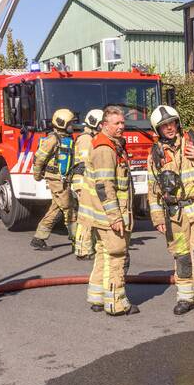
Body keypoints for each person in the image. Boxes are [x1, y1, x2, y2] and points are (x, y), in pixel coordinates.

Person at [147, 105, 194, 322]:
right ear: (157, 130)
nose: (169, 128)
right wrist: (158, 217)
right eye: (163, 126)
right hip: (175, 214)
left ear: (177, 122)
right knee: (181, 257)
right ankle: (185, 298)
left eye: (171, 123)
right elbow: (153, 188)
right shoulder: (156, 154)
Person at [83, 106, 136, 315]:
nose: (122, 127)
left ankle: (97, 297)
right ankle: (116, 303)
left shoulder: (111, 144)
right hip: (110, 216)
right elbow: (105, 186)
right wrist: (115, 217)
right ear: (105, 125)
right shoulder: (105, 149)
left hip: (101, 215)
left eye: (123, 123)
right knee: (116, 256)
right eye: (117, 123)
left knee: (103, 255)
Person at [30, 108, 77, 251]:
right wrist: (37, 175)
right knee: (69, 207)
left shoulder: (66, 139)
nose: (72, 127)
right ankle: (78, 240)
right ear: (62, 123)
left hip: (61, 179)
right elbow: (39, 158)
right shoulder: (52, 139)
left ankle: (39, 238)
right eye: (70, 124)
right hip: (56, 180)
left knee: (56, 208)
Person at [71, 108, 103, 260]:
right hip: (83, 182)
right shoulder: (85, 139)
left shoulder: (92, 137)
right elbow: (84, 164)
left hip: (88, 181)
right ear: (94, 123)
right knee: (86, 218)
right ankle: (82, 250)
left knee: (91, 216)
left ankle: (89, 247)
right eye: (101, 124)